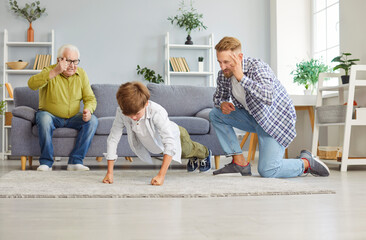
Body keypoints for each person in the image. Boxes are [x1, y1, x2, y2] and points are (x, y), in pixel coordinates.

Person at [209, 36, 330, 178]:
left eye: (226, 62)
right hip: (253, 118)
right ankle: (239, 162)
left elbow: (268, 96)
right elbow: (218, 98)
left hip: (274, 121)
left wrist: (241, 77)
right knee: (215, 114)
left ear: (239, 57)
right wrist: (222, 103)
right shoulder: (224, 75)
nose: (222, 67)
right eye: (219, 62)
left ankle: (306, 163)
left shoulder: (258, 68)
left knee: (268, 170)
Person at [102, 82, 212, 186]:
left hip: (176, 136)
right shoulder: (121, 112)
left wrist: (161, 175)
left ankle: (206, 153)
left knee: (189, 150)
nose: (133, 118)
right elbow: (113, 138)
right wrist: (110, 173)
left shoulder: (157, 111)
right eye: (130, 116)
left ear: (146, 104)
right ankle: (193, 157)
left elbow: (169, 142)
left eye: (137, 114)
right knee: (181, 154)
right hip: (158, 146)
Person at [28, 44, 98, 171]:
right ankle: (46, 163)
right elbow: (31, 84)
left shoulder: (81, 74)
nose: (72, 65)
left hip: (73, 117)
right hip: (50, 115)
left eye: (75, 61)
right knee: (43, 118)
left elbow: (90, 98)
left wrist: (88, 109)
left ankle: (75, 162)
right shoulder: (49, 70)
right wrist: (54, 72)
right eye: (68, 61)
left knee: (93, 120)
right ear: (59, 61)